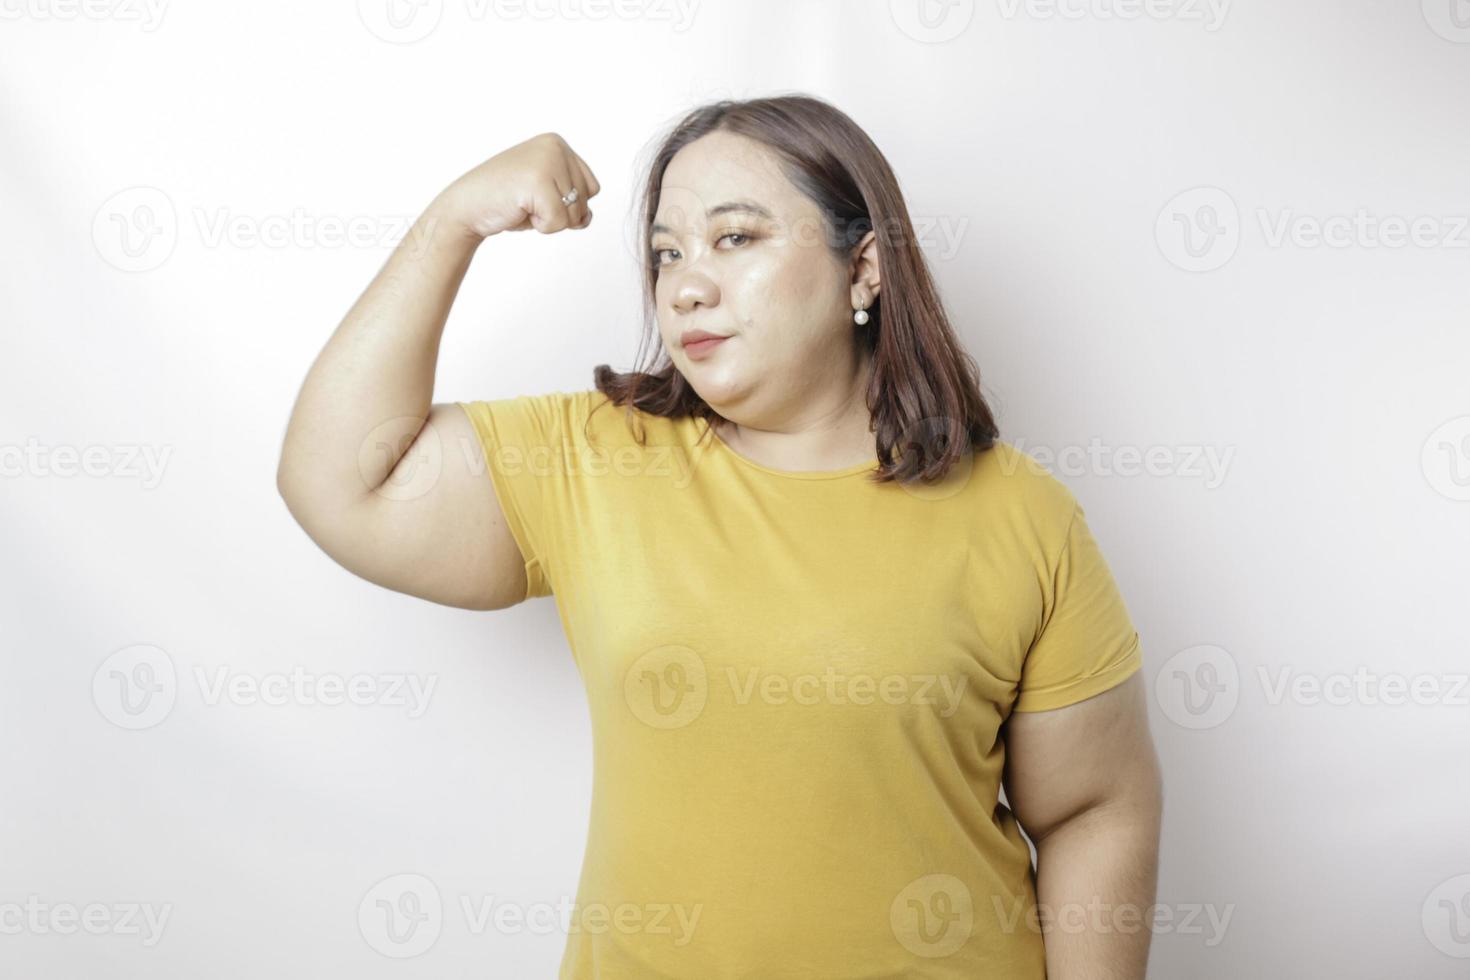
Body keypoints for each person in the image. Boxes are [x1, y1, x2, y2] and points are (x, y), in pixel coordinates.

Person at [276, 94, 1164, 979]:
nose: (687, 283)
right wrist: (455, 220)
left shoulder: (1019, 512)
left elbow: (1093, 808)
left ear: (864, 269)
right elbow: (343, 483)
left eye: (735, 238)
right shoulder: (600, 458)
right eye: (666, 253)